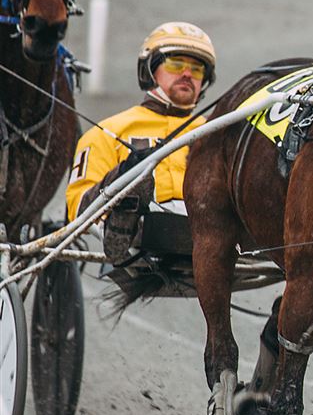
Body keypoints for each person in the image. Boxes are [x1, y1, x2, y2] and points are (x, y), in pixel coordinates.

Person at [65, 21, 216, 262]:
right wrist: (122, 176)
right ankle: (126, 215)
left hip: (210, 227)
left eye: (197, 69)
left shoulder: (218, 133)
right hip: (144, 230)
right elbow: (77, 207)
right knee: (133, 174)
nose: (187, 74)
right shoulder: (107, 131)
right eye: (176, 64)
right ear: (150, 70)